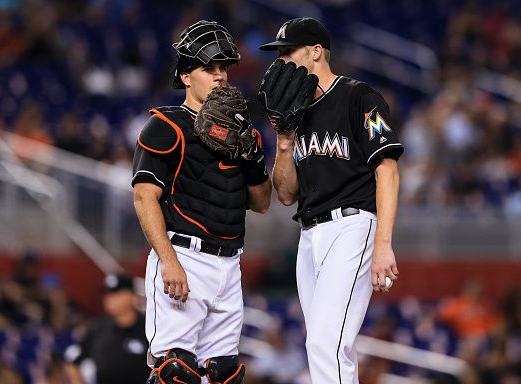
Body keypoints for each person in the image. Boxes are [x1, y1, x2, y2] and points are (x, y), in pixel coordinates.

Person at [259, 17, 404, 383]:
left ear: (316, 51)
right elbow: (287, 193)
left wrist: (384, 244)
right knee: (326, 343)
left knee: (326, 344)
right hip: (309, 236)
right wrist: (285, 139)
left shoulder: (358, 97)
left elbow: (386, 170)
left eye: (287, 52)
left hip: (352, 226)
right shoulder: (296, 113)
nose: (280, 62)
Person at [132, 20, 272, 384]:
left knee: (222, 374)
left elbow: (261, 202)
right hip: (185, 257)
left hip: (229, 263)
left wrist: (253, 155)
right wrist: (169, 261)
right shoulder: (166, 126)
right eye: (208, 68)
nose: (220, 75)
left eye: (223, 68)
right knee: (174, 372)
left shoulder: (243, 131)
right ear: (184, 76)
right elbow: (144, 197)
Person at [63, 273, 149, 383]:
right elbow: (72, 360)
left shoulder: (149, 328)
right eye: (107, 294)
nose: (109, 299)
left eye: (115, 293)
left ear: (131, 295)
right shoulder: (97, 329)